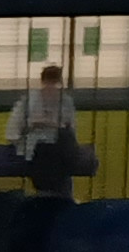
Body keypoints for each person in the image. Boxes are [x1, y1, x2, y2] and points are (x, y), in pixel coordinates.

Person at [6, 62, 80, 199]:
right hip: (42, 150)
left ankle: (52, 197)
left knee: (56, 152)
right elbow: (13, 131)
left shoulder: (65, 101)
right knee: (52, 155)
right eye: (49, 84)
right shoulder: (29, 101)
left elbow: (12, 132)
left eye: (54, 85)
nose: (51, 89)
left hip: (56, 150)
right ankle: (58, 198)